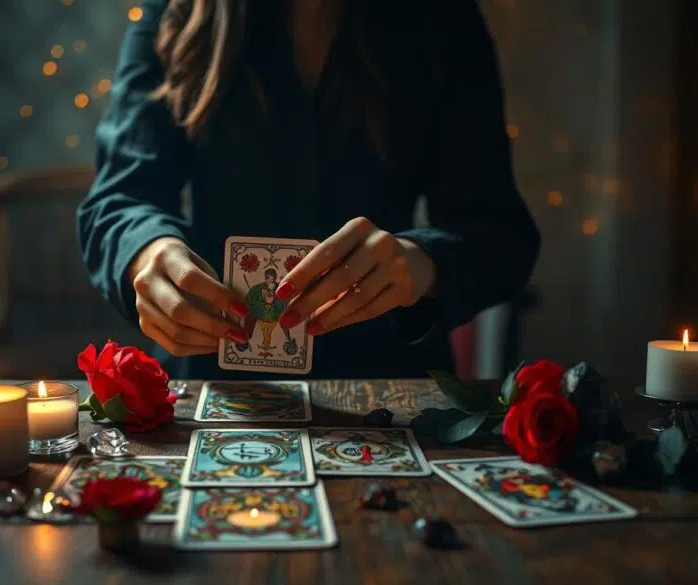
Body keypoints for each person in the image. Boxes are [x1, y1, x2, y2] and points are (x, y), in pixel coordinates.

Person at [78, 0, 540, 380]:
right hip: (211, 383)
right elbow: (119, 199)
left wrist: (422, 263)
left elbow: (501, 234)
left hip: (388, 388)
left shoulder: (444, 21)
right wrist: (147, 252)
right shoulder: (175, 13)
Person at [246, 268, 289, 351]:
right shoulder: (257, 288)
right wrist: (262, 305)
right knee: (264, 331)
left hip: (274, 317)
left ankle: (266, 344)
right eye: (268, 278)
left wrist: (275, 304)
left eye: (272, 278)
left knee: (268, 331)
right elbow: (249, 299)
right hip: (261, 316)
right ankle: (265, 344)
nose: (270, 280)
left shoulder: (280, 288)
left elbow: (285, 302)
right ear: (265, 278)